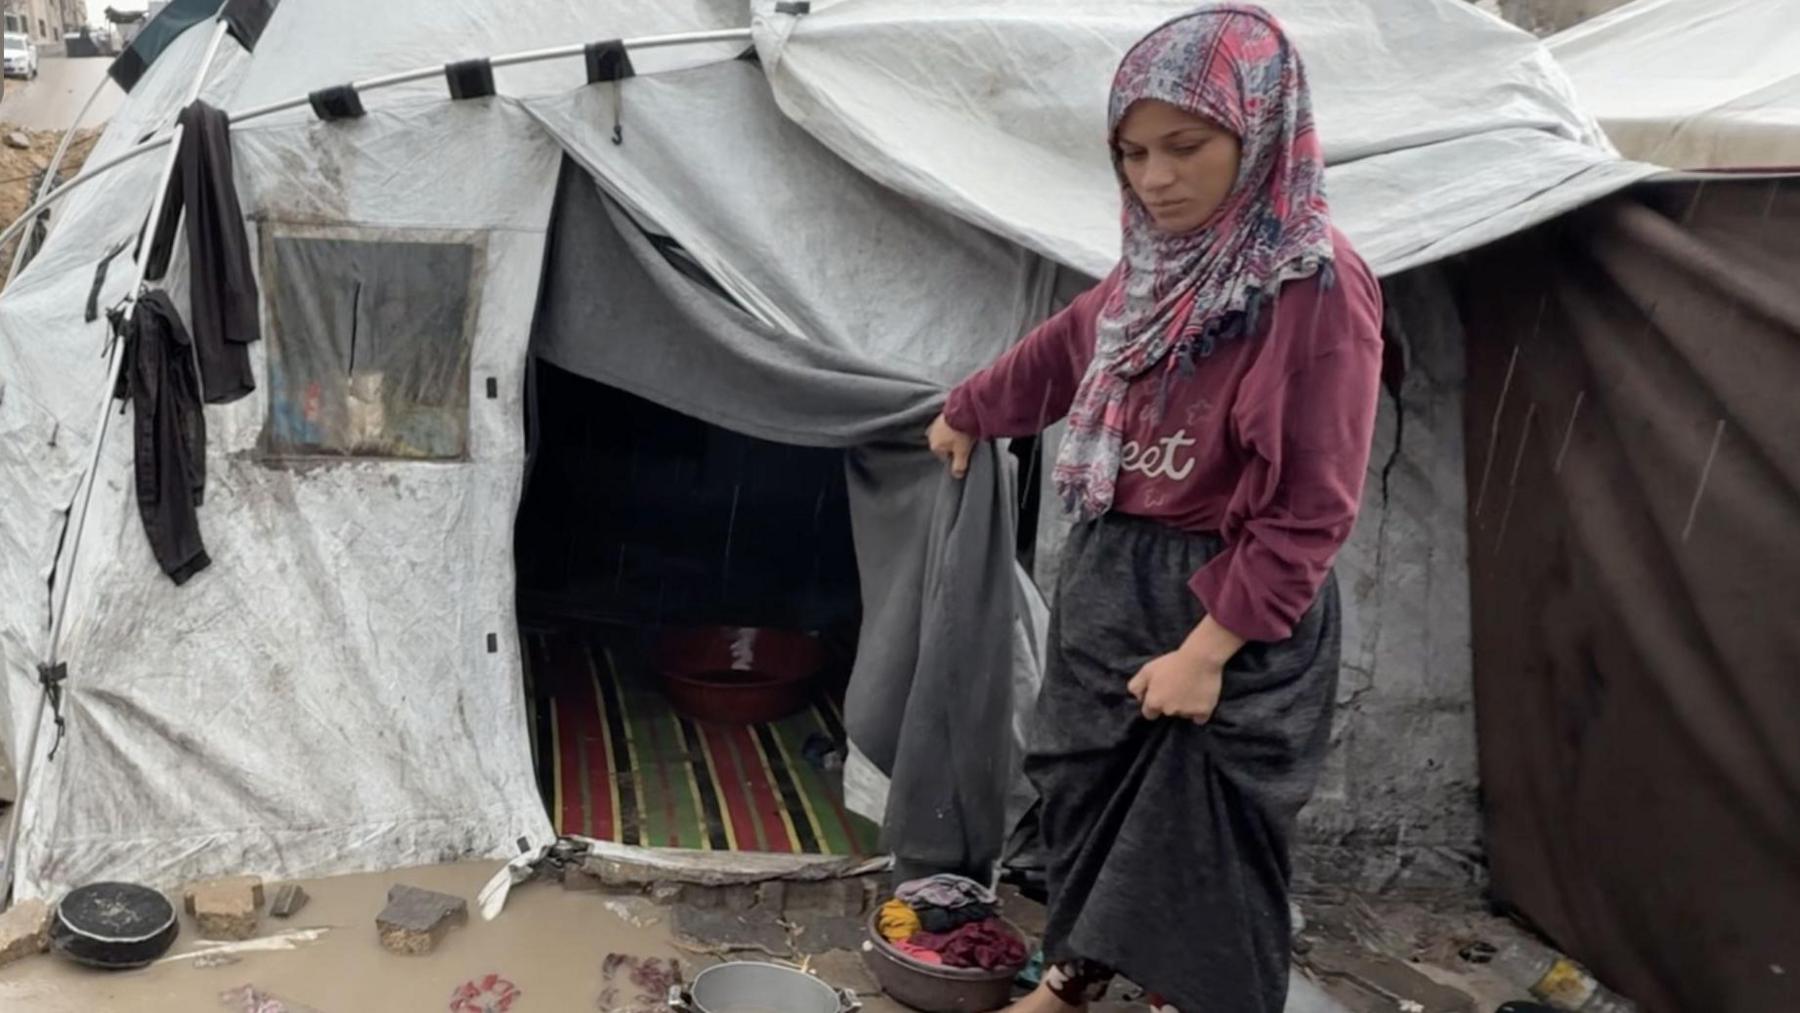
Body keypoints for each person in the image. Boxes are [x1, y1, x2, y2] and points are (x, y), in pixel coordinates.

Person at [926, 6, 1384, 1012]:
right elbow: (1066, 347)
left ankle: (1202, 993)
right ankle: (1073, 979)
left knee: (1203, 821)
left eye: (1187, 146)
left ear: (1260, 131)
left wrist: (1209, 649)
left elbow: (1312, 502)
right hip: (1115, 567)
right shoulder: (1158, 268)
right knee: (1089, 794)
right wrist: (970, 410)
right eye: (1132, 153)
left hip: (1230, 594)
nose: (1155, 178)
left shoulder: (1307, 285)